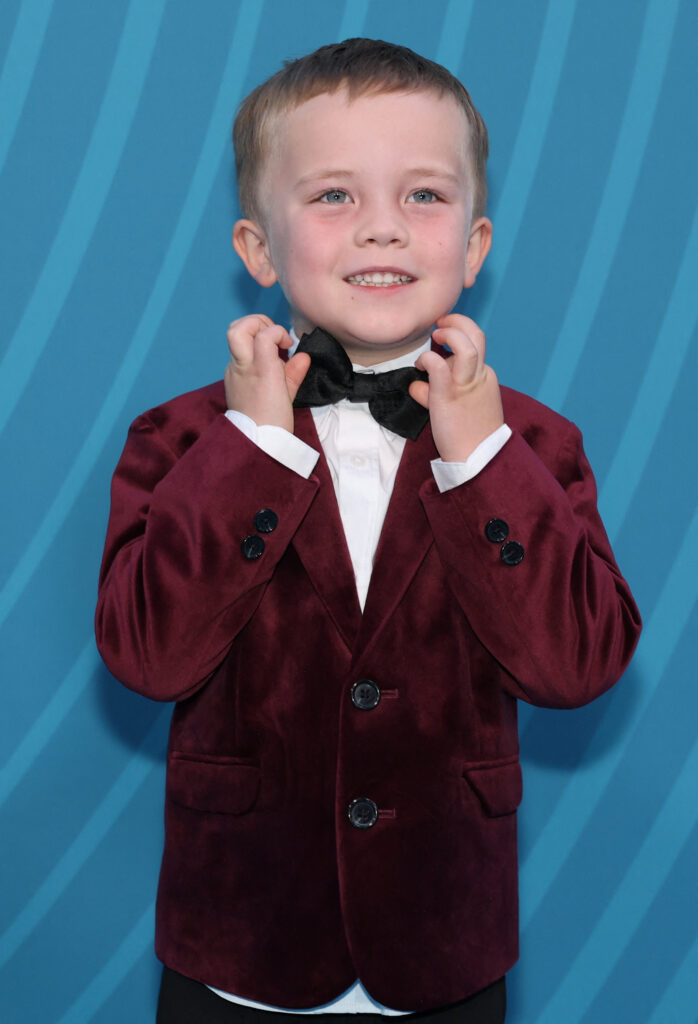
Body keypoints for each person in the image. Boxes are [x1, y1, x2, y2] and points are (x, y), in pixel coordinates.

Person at [95, 38, 642, 1024]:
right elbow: (147, 655)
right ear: (258, 249)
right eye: (334, 195)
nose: (382, 226)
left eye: (423, 195)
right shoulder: (177, 440)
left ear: (473, 246)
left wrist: (480, 462)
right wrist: (256, 449)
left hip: (444, 949)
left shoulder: (533, 447)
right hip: (238, 951)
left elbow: (577, 666)